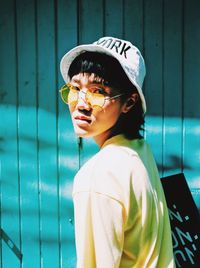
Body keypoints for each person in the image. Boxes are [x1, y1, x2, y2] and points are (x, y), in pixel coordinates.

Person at [60, 37, 175, 268]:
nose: (81, 104)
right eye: (75, 88)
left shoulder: (98, 176)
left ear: (129, 103)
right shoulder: (139, 152)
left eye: (98, 91)